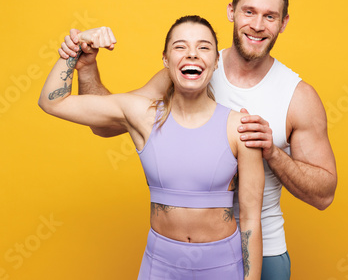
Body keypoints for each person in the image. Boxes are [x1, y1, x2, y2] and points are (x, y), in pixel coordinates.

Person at [59, 0, 337, 280]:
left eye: (270, 16)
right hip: (181, 254)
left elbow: (324, 194)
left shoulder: (297, 97)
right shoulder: (193, 68)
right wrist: (86, 68)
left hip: (263, 251)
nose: (258, 25)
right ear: (231, 11)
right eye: (249, 12)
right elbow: (108, 124)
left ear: (283, 23)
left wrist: (272, 152)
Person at [39, 15, 265, 279]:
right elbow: (52, 101)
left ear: (216, 61)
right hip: (159, 267)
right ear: (166, 60)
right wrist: (76, 46)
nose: (192, 54)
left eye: (203, 47)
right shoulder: (142, 115)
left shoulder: (240, 127)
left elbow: (250, 221)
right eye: (180, 47)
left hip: (223, 267)